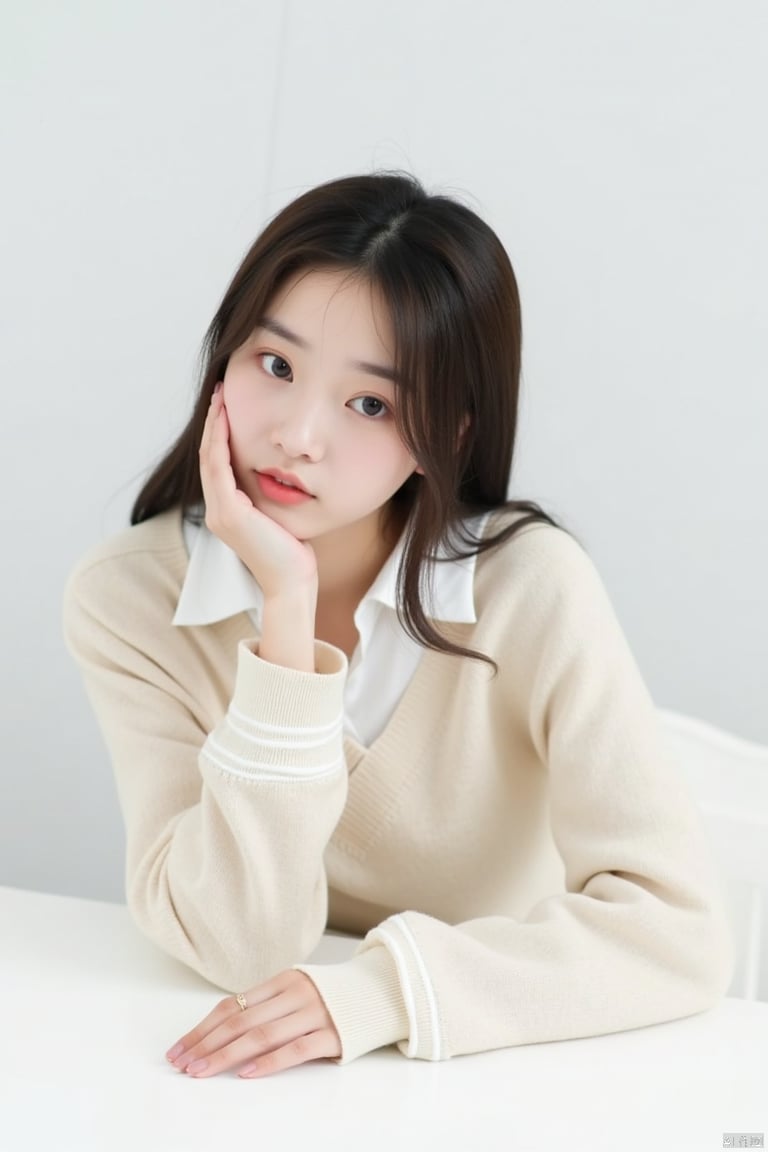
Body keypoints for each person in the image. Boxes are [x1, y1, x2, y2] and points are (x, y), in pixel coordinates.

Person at [63, 172, 732, 1080]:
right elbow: (238, 946)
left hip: (496, 1072)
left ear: (446, 434)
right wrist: (287, 620)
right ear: (223, 361)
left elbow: (679, 930)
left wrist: (379, 994)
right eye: (276, 365)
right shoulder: (131, 601)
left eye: (370, 404)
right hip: (235, 1091)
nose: (300, 435)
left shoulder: (527, 590)